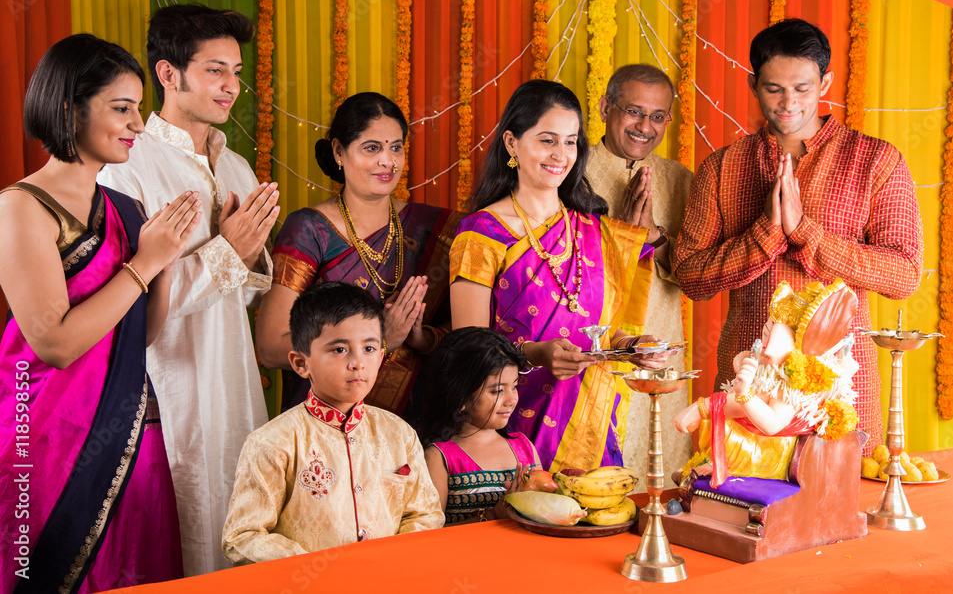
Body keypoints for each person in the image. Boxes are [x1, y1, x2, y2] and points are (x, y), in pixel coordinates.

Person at [0, 34, 200, 592]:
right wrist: (145, 262)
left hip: (130, 431)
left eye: (138, 108)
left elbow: (144, 335)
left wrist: (164, 264)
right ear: (69, 108)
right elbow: (55, 345)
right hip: (41, 432)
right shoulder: (20, 208)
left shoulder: (126, 209)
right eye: (121, 108)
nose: (138, 124)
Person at [672, 18, 923, 451]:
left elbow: (903, 276)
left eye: (803, 88)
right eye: (774, 89)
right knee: (741, 511)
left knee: (842, 511)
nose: (788, 103)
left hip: (840, 390)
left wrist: (807, 233)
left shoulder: (875, 161)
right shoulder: (722, 168)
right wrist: (766, 235)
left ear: (826, 81)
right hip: (747, 391)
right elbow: (690, 276)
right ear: (754, 84)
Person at [97, 4, 279, 575]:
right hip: (166, 390)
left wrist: (247, 256)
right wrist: (228, 250)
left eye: (236, 70)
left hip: (235, 379)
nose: (233, 86)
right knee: (181, 539)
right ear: (168, 74)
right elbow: (130, 306)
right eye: (215, 71)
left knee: (241, 527)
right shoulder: (127, 166)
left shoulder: (240, 168)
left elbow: (246, 295)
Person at [450, 79, 673, 473]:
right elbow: (467, 349)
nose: (561, 154)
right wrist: (534, 354)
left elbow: (597, 332)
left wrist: (630, 346)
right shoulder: (482, 233)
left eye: (570, 142)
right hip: (510, 428)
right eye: (547, 140)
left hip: (590, 429)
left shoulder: (593, 230)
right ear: (512, 144)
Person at [256, 92, 462, 418]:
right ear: (339, 151)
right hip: (328, 431)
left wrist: (425, 339)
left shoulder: (438, 228)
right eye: (372, 148)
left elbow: (471, 329)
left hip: (416, 426)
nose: (388, 161)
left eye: (396, 147)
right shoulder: (310, 230)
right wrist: (381, 337)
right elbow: (271, 347)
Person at [222, 282, 444, 564]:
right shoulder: (272, 442)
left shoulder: (400, 434)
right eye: (339, 349)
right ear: (301, 363)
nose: (357, 362)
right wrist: (315, 571)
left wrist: (392, 561)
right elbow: (243, 536)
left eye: (369, 348)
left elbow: (425, 513)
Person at [587, 63, 694, 478]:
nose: (644, 126)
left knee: (661, 478)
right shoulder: (569, 173)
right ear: (604, 108)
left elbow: (696, 275)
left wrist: (655, 238)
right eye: (633, 111)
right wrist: (622, 238)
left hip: (660, 351)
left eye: (657, 116)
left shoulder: (681, 181)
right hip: (593, 352)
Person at [674, 279, 861, 489]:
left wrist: (729, 399)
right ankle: (715, 461)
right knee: (721, 423)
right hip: (755, 435)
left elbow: (772, 424)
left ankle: (724, 463)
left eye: (768, 337)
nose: (764, 344)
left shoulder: (794, 383)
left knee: (723, 427)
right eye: (765, 333)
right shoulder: (775, 368)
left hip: (773, 451)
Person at [421, 327, 541, 524]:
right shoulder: (439, 457)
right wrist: (496, 514)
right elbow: (432, 533)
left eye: (514, 386)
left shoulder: (524, 447)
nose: (511, 399)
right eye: (497, 391)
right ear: (461, 397)